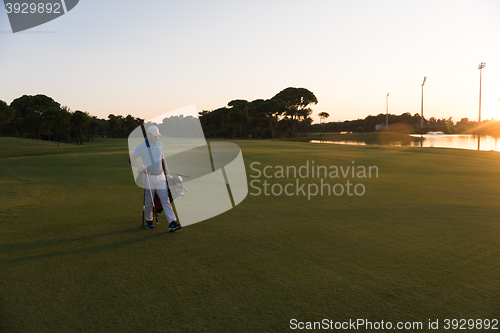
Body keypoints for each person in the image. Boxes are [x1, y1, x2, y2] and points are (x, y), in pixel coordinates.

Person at [130, 125, 182, 232]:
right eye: (154, 136)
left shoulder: (160, 145)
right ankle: (149, 220)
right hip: (148, 177)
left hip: (161, 177)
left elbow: (163, 160)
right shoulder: (142, 146)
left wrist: (168, 173)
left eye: (157, 136)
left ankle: (172, 223)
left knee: (165, 199)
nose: (157, 138)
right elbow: (131, 159)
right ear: (148, 135)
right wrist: (140, 166)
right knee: (149, 201)